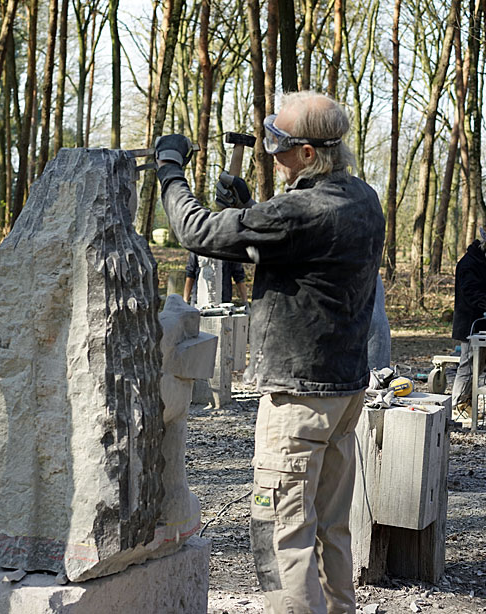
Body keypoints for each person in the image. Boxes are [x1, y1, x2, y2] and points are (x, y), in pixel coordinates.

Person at [154, 90, 385, 614]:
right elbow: (302, 253)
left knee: (281, 533)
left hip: (298, 400)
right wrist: (247, 208)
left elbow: (196, 230)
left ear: (308, 153)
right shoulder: (362, 198)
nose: (271, 156)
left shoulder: (297, 211)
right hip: (344, 391)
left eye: (279, 147)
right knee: (330, 529)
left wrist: (171, 171)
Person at [451, 228, 486, 416]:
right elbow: (471, 291)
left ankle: (468, 401)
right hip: (469, 321)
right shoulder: (468, 264)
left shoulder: (483, 262)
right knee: (467, 364)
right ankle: (456, 403)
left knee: (480, 363)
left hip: (483, 322)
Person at [182, 251, 248, 305]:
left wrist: (245, 302)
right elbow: (190, 274)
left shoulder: (230, 249)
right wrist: (185, 301)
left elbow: (239, 276)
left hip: (223, 301)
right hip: (198, 300)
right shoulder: (198, 246)